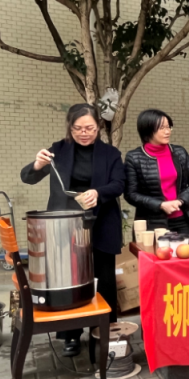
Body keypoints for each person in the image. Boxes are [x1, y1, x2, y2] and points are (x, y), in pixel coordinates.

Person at [20, 103, 125, 357]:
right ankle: (71, 336)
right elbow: (27, 177)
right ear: (70, 127)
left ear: (98, 127)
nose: (84, 133)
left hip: (100, 222)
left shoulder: (110, 153)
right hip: (64, 225)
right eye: (78, 128)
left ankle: (104, 331)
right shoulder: (58, 150)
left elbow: (119, 183)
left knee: (104, 278)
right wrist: (37, 164)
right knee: (69, 281)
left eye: (89, 128)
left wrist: (98, 192)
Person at [124, 109, 189, 234]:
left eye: (168, 127)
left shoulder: (179, 152)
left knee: (188, 247)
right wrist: (160, 205)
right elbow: (131, 194)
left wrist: (181, 201)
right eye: (162, 128)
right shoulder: (134, 157)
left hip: (184, 218)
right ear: (148, 129)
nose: (167, 131)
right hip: (153, 223)